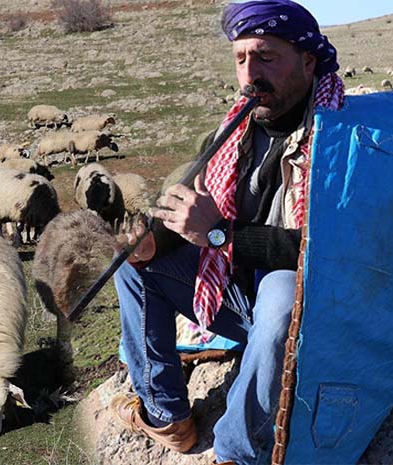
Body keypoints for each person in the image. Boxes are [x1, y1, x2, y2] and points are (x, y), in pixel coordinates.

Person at [108, 1, 345, 464]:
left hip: (313, 318)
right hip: (241, 302)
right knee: (135, 265)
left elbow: (328, 251)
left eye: (266, 56)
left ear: (308, 61)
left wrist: (220, 235)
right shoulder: (235, 128)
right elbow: (196, 209)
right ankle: (167, 416)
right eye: (240, 59)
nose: (249, 73)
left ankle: (238, 450)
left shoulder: (342, 138)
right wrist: (158, 238)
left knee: (280, 291)